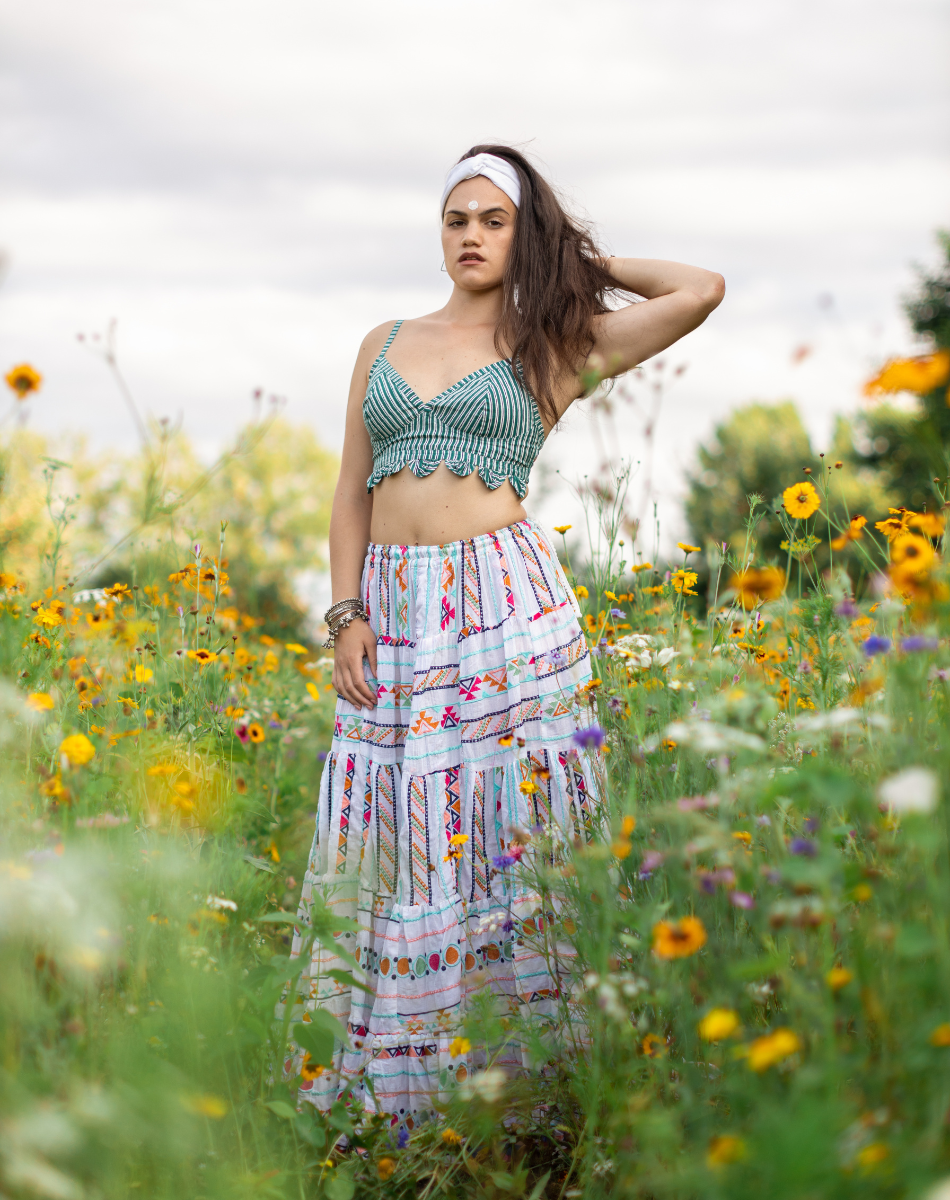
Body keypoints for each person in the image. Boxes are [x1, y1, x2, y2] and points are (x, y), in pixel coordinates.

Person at [290, 145, 724, 1129]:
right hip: (392, 619)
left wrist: (574, 259)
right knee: (397, 831)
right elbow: (349, 487)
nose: (471, 235)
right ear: (436, 234)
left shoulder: (552, 344)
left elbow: (699, 289)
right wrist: (345, 613)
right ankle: (396, 1098)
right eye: (456, 219)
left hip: (501, 613)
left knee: (504, 831)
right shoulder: (383, 339)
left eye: (494, 220)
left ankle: (524, 1099)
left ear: (518, 235)